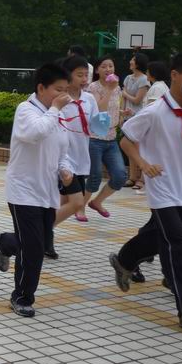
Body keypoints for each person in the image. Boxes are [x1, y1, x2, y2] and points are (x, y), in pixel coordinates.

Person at [108, 52, 182, 329]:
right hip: (162, 187)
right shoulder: (155, 110)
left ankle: (125, 259)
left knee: (177, 231)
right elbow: (127, 140)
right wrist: (143, 164)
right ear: (175, 75)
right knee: (178, 241)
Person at [0, 63, 73, 318]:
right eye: (58, 90)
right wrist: (56, 110)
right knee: (34, 249)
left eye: (65, 91)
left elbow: (63, 150)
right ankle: (22, 297)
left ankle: (3, 242)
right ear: (41, 88)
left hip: (47, 192)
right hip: (23, 190)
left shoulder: (56, 116)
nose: (64, 96)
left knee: (38, 242)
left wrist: (65, 168)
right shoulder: (26, 111)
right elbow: (35, 133)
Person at [46, 56, 99, 259]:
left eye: (86, 74)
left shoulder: (89, 99)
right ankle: (41, 233)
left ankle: (45, 238)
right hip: (63, 158)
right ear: (67, 76)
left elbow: (94, 126)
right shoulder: (59, 100)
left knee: (59, 201)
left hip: (81, 157)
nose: (84, 78)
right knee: (77, 202)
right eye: (79, 75)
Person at [84, 56, 127, 218]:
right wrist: (109, 89)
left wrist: (122, 114)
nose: (108, 69)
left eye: (111, 66)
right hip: (95, 138)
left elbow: (115, 107)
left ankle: (97, 202)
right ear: (97, 70)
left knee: (120, 176)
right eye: (104, 66)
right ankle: (79, 208)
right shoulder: (92, 88)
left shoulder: (117, 88)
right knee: (94, 176)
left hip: (111, 138)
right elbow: (98, 110)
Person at [122, 52, 150, 190]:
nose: (130, 62)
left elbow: (137, 100)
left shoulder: (144, 80)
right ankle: (132, 177)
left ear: (138, 63)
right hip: (127, 116)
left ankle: (142, 179)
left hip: (139, 116)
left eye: (132, 60)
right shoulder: (128, 78)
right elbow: (125, 99)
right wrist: (121, 114)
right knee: (130, 148)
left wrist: (125, 93)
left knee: (139, 149)